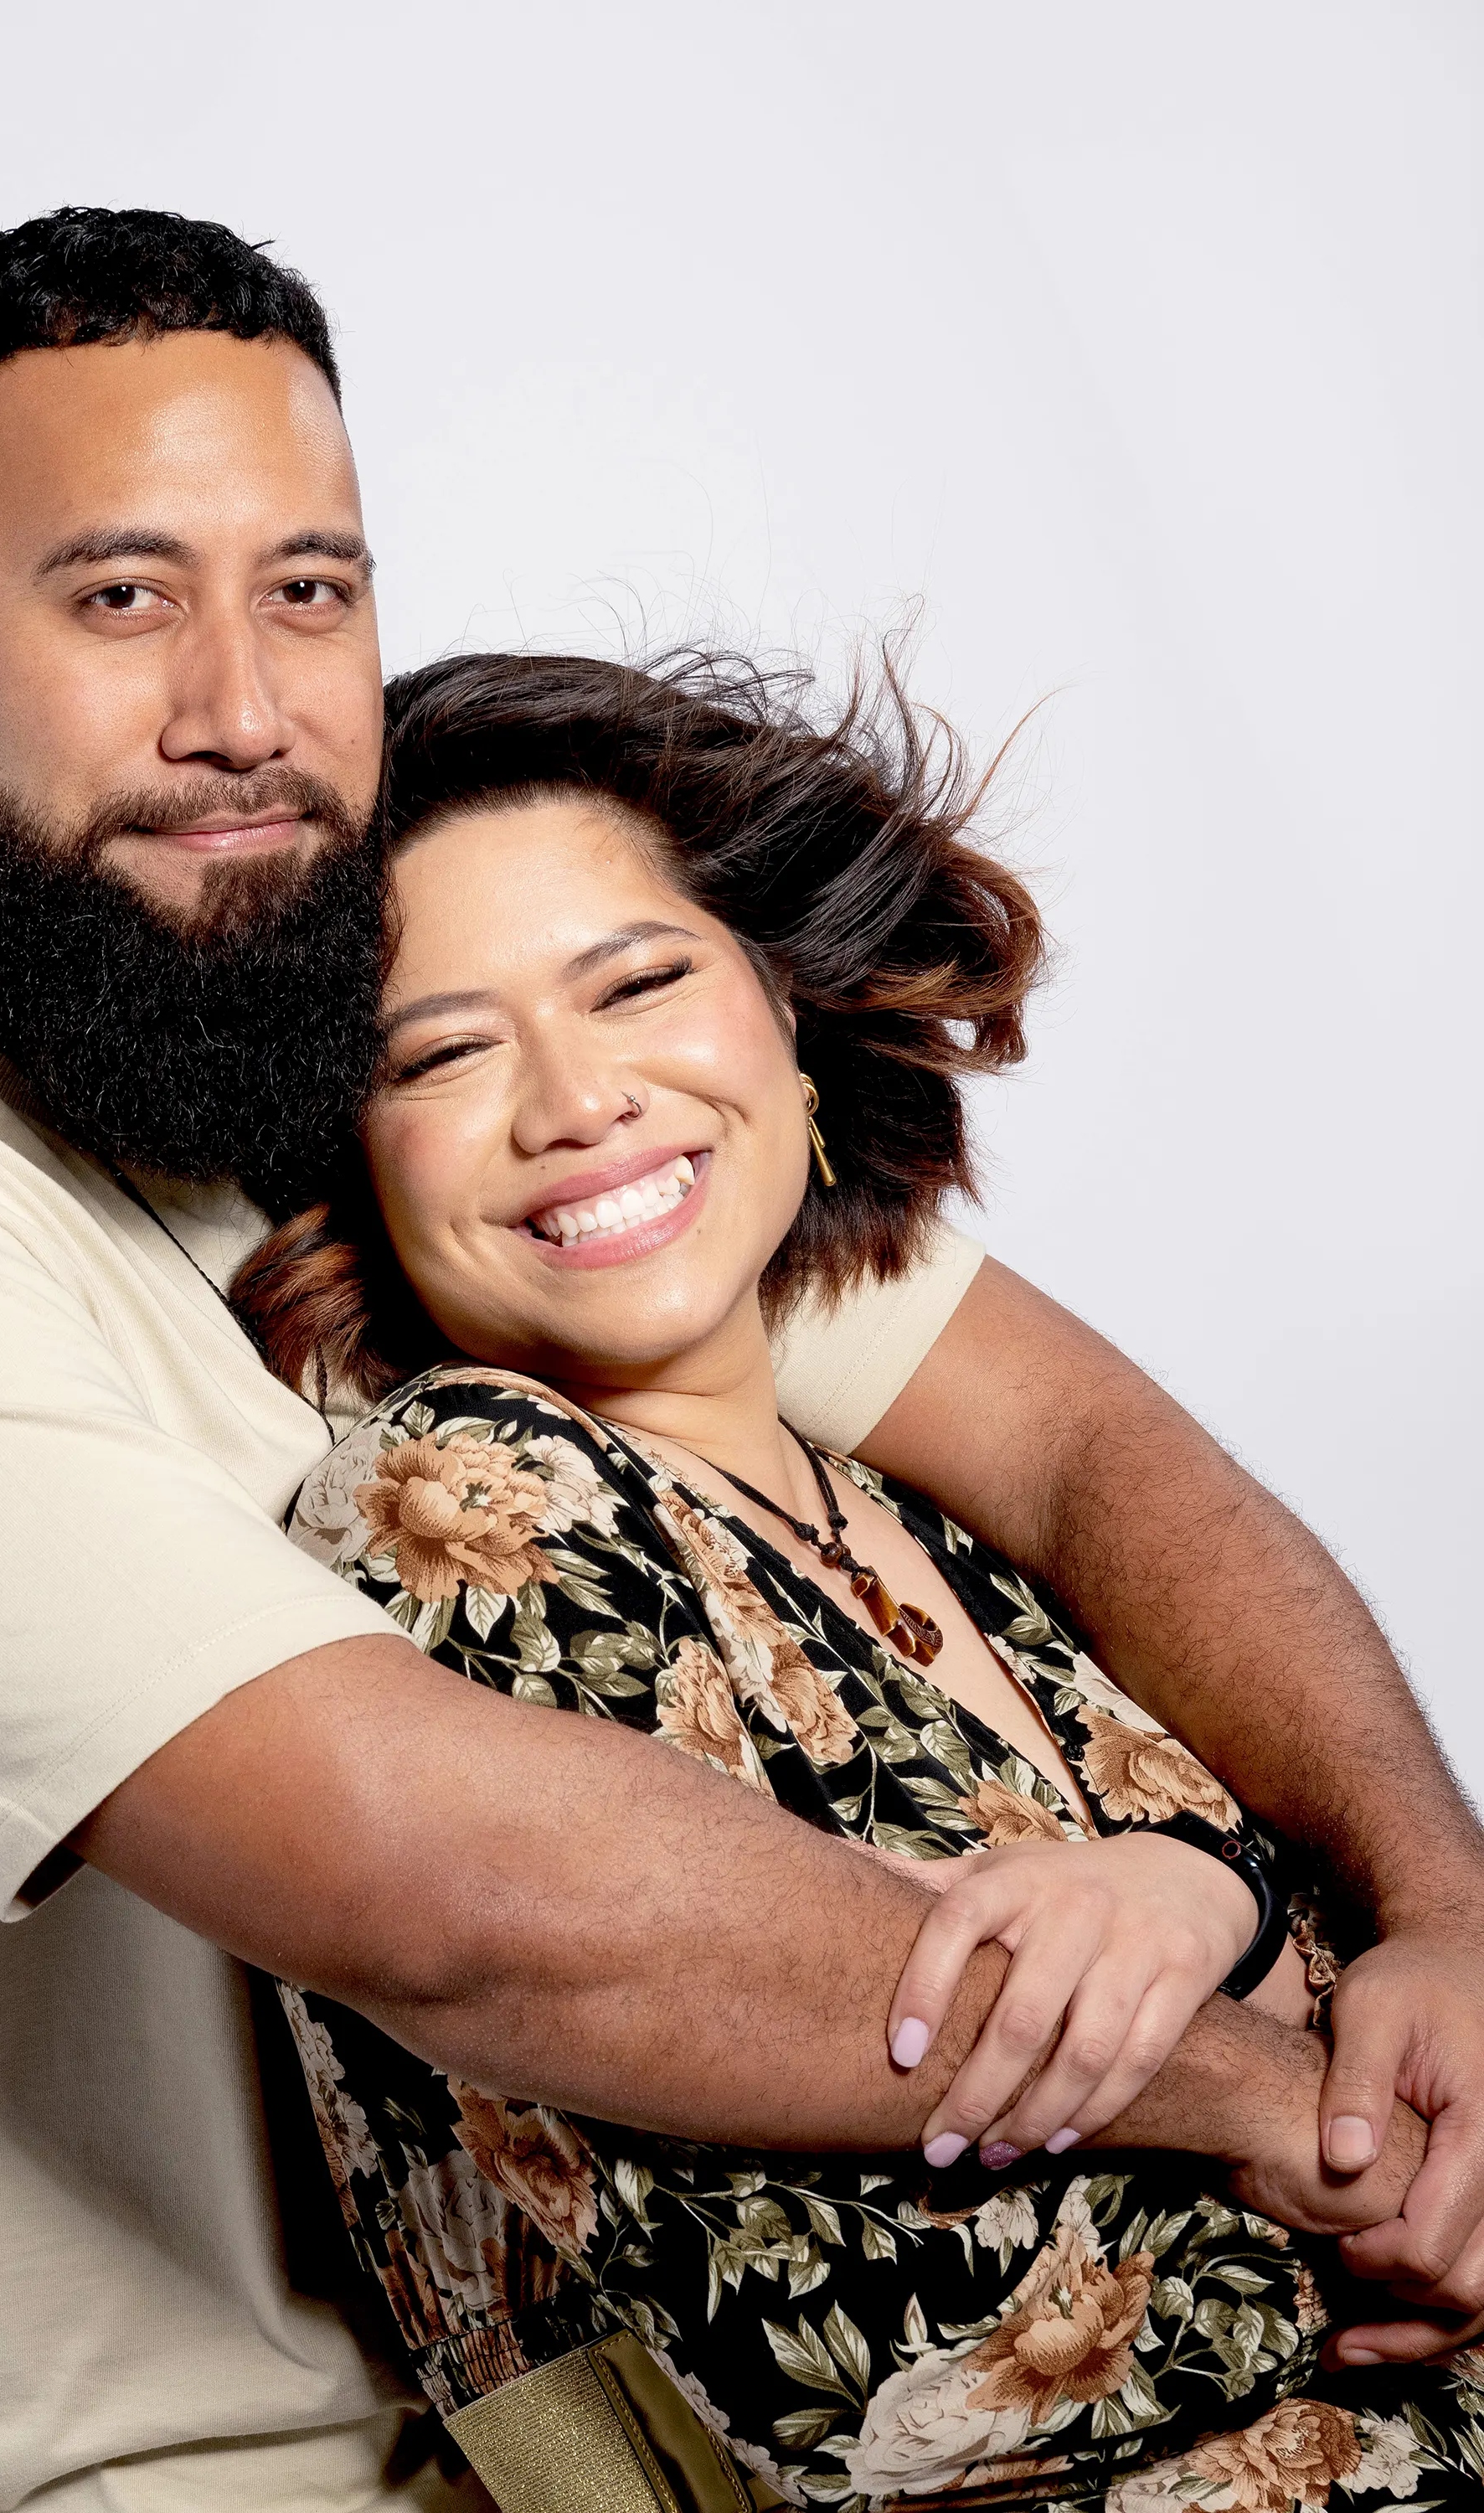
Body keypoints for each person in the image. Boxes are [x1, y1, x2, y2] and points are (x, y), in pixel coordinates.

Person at [0, 206, 1480, 2513]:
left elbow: (1078, 1450)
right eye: (117, 597)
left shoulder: (279, 996)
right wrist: (1273, 2092)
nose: (240, 703)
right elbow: (440, 1889)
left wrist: (1435, 1921)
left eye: (308, 589)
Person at [237, 650, 1483, 2508]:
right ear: (350, 1147)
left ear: (788, 1018)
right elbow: (856, 2340)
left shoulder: (930, 1513)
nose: (576, 1101)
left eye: (638, 981)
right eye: (441, 1051)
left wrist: (1255, 1922)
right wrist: (1382, 2169)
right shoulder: (466, 1504)